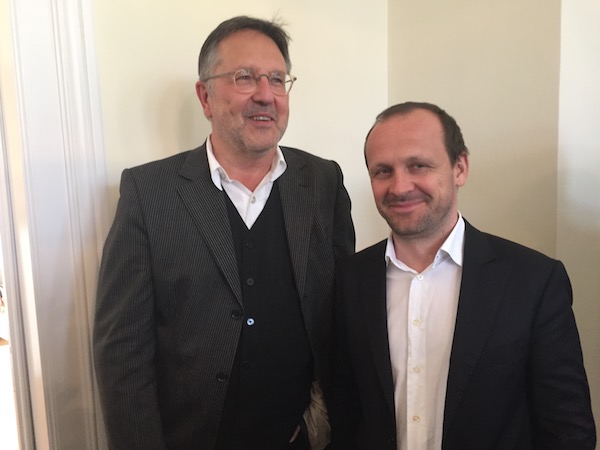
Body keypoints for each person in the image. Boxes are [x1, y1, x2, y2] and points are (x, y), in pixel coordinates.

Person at [93, 15, 355, 450]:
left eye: (277, 79)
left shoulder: (323, 182)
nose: (266, 95)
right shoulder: (149, 192)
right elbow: (122, 350)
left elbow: (343, 315)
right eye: (244, 77)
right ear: (205, 96)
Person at [328, 102, 596, 449]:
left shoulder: (534, 281)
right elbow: (345, 413)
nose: (400, 186)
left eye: (418, 165)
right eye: (383, 171)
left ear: (460, 168)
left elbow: (568, 430)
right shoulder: (349, 280)